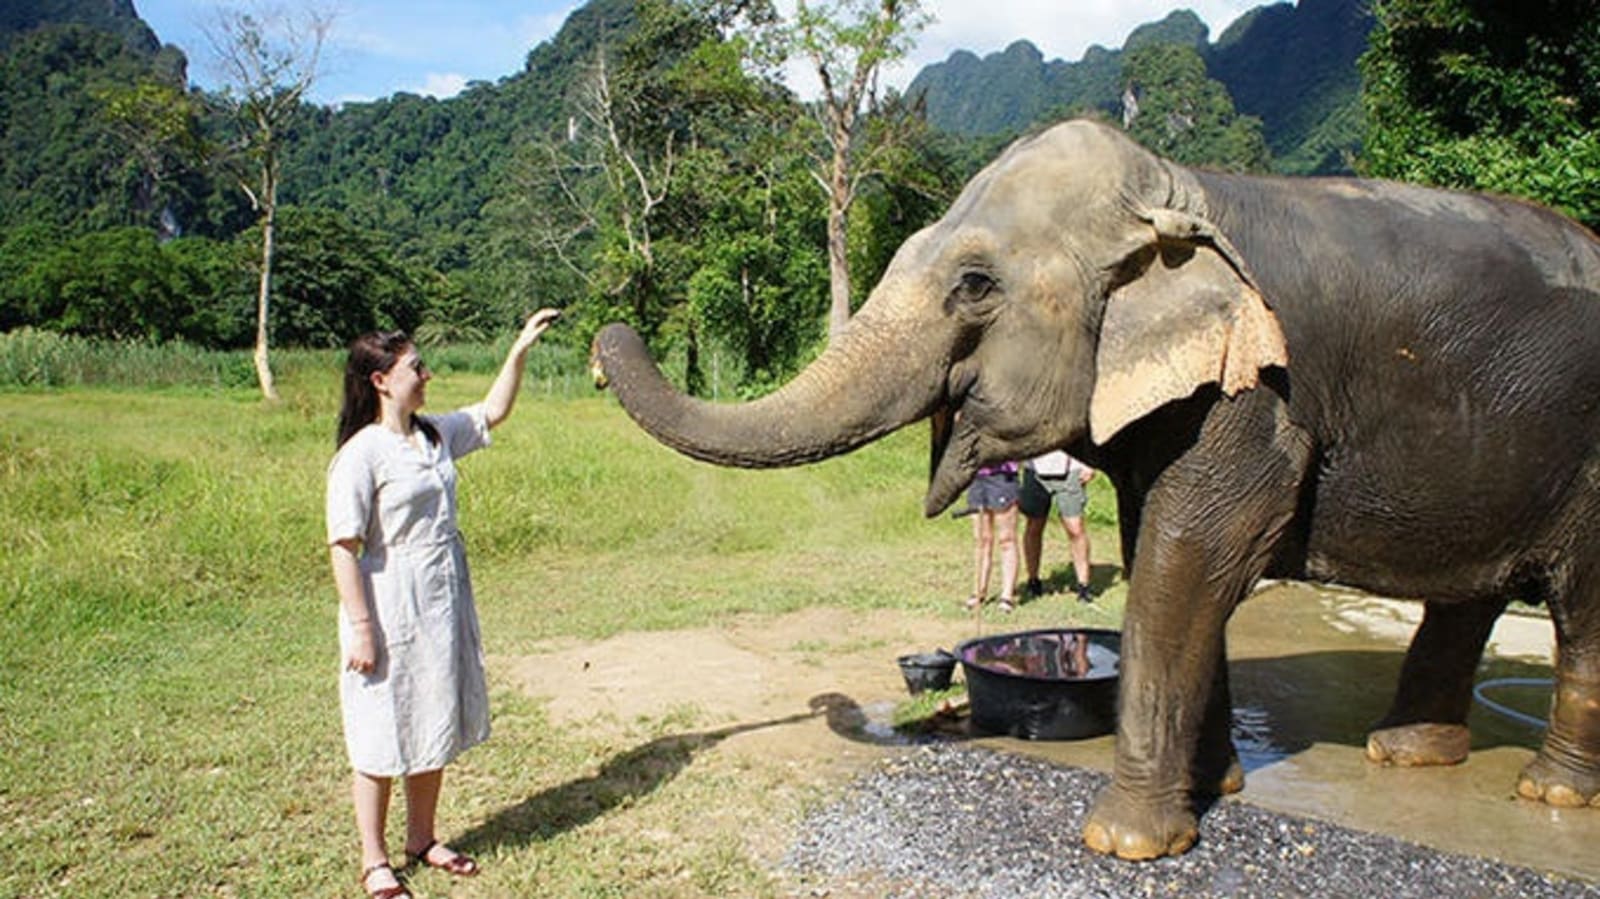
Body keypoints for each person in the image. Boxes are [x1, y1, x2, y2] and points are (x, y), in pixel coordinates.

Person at [327, 309, 561, 899]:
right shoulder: (362, 454)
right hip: (385, 602)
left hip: (439, 594)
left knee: (430, 714)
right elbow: (342, 546)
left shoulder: (432, 435)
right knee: (381, 729)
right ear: (381, 380)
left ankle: (422, 839)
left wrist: (519, 350)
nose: (426, 375)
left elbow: (492, 413)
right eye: (415, 367)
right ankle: (374, 859)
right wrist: (360, 626)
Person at [1020, 449, 1097, 604]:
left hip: (1071, 469)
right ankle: (1033, 580)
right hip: (1034, 469)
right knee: (1034, 524)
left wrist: (1089, 464)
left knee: (1075, 527)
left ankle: (1083, 585)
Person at [965, 460, 1021, 613]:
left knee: (1006, 539)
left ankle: (1007, 596)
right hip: (976, 477)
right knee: (981, 539)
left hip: (1003, 476)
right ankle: (978, 591)